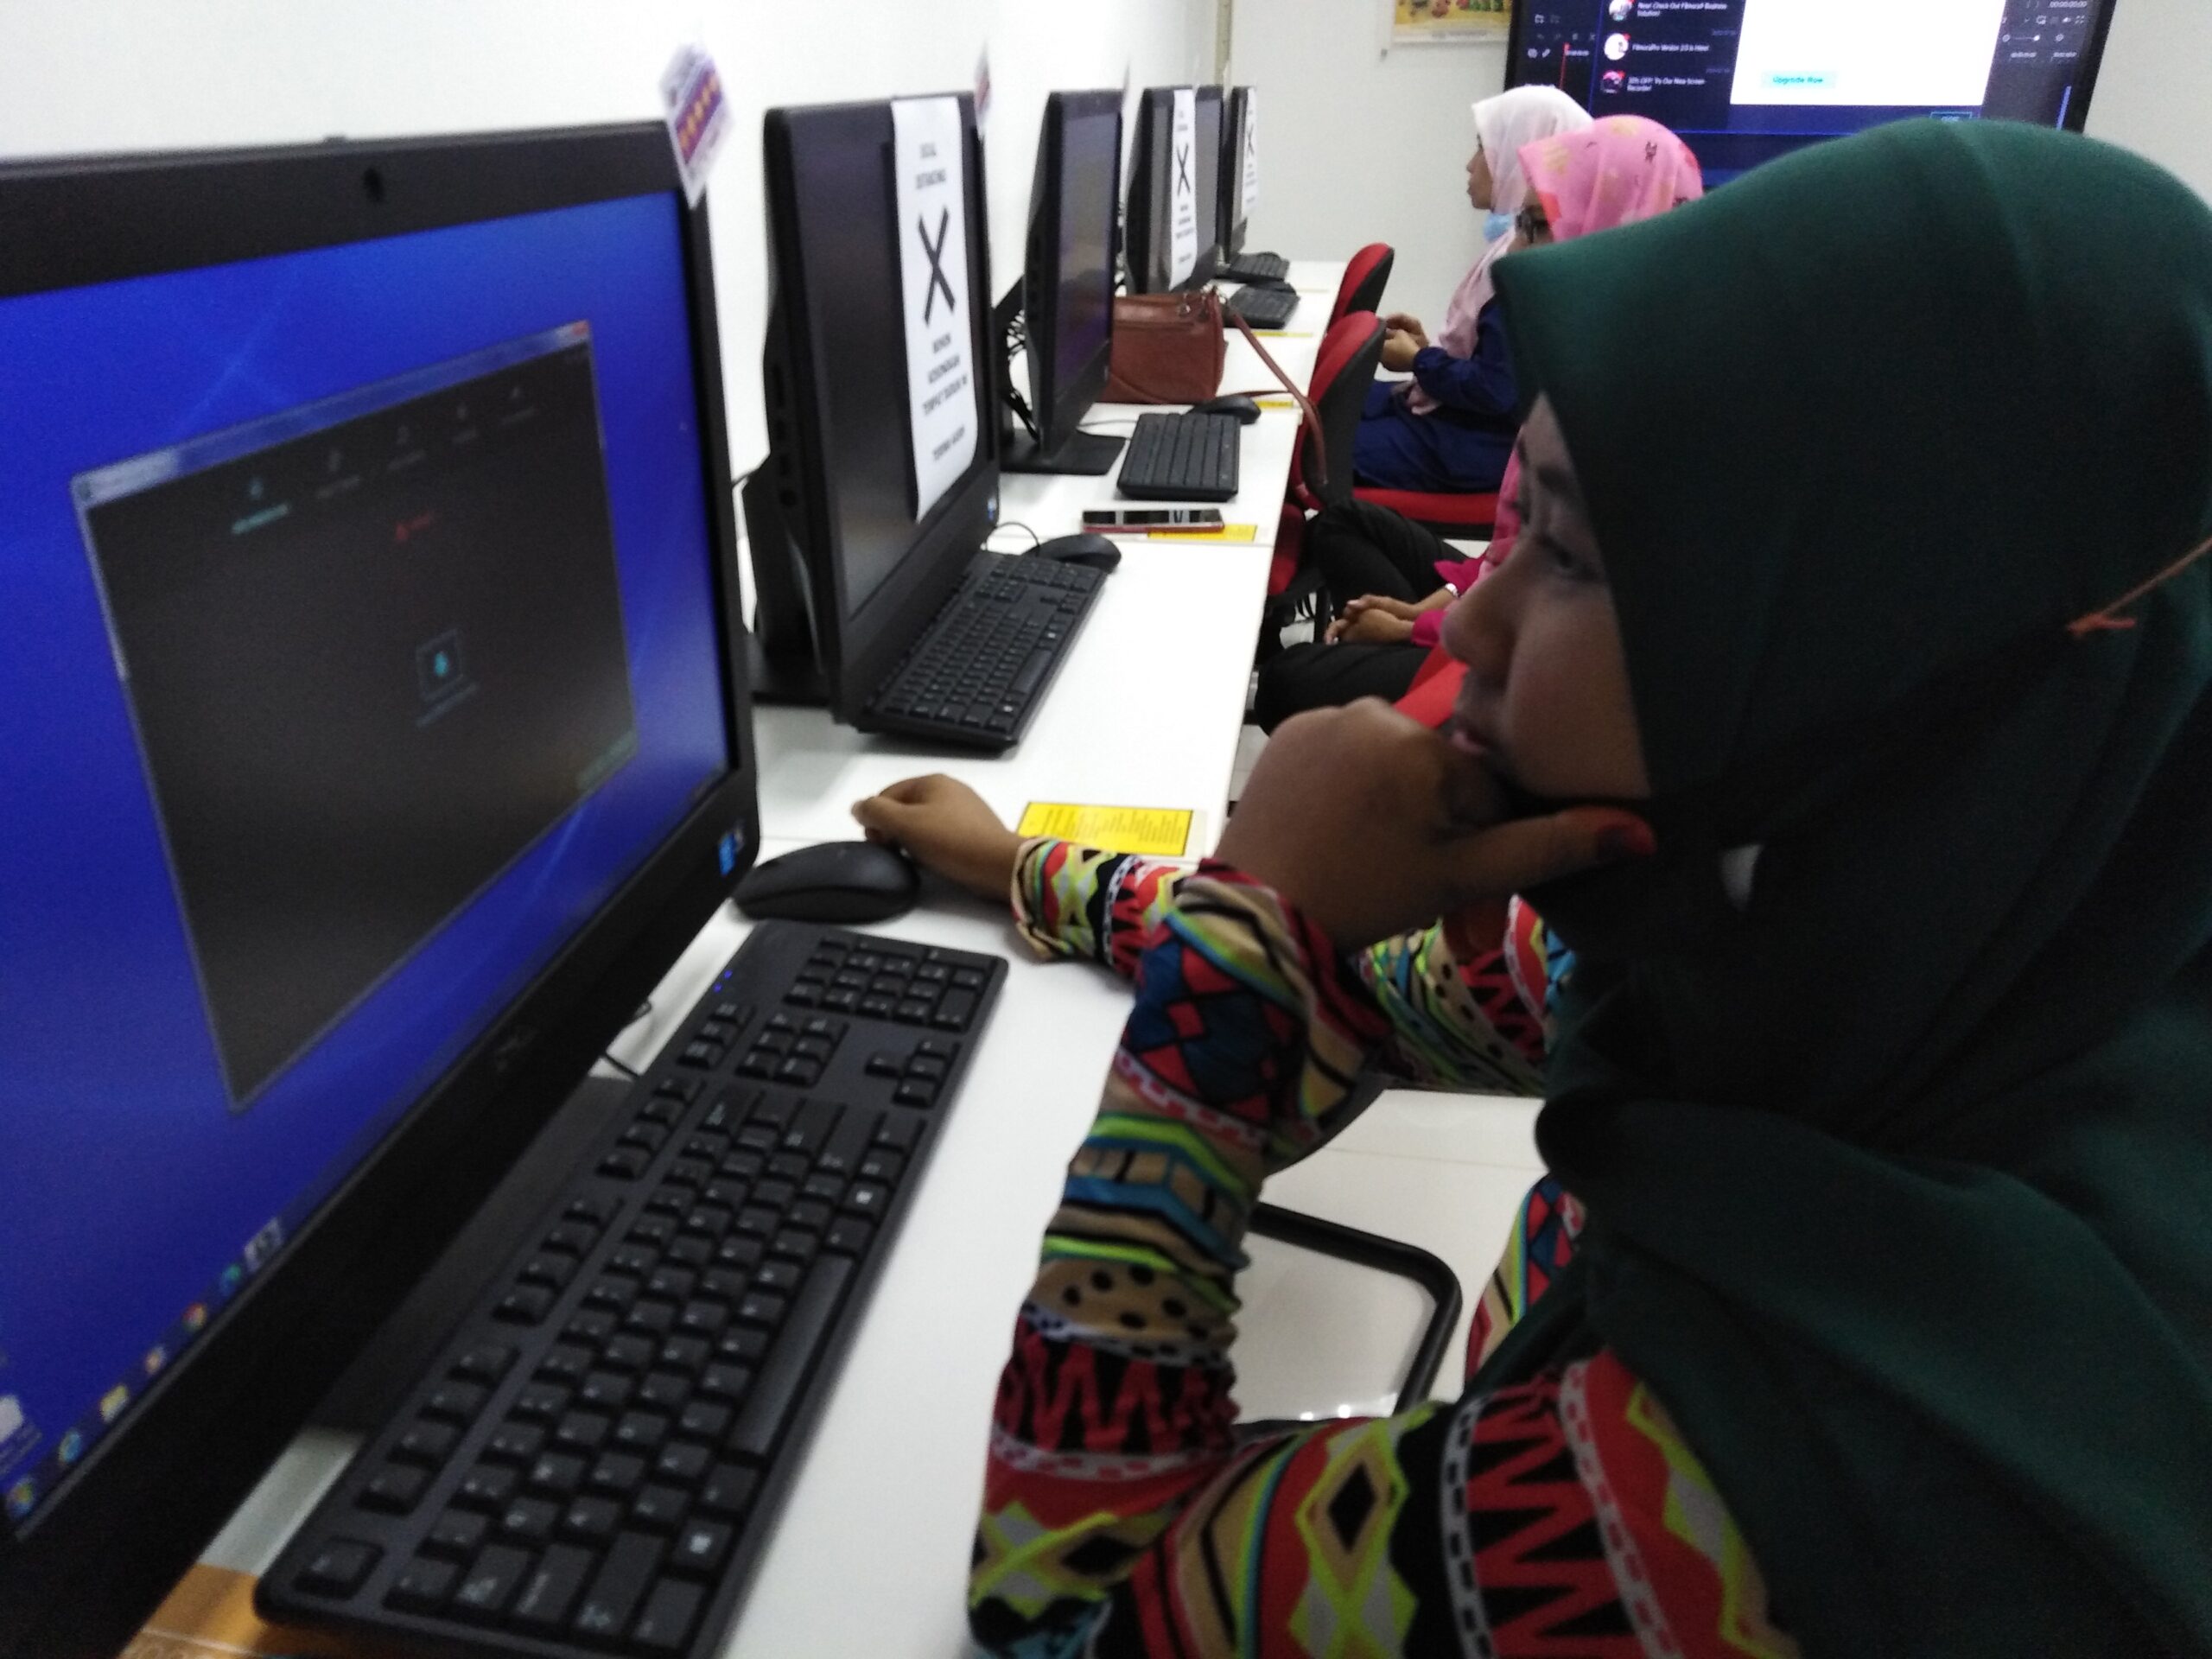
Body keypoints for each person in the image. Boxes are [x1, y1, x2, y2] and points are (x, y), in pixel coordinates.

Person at [871, 119, 2212, 1656]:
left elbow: (1068, 1597)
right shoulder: (1893, 931)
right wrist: (1030, 869)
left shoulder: (1764, 1494)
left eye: (1568, 554)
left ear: (1856, 661)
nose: (1467, 627)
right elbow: (1413, 985)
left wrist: (1240, 956)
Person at [1259, 116, 1704, 730]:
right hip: (1497, 594)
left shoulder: (1624, 414)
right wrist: (1425, 609)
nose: (1515, 250)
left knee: (1287, 681)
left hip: (1528, 667)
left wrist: (1417, 628)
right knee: (1342, 520)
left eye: (1536, 225)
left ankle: (1386, 676)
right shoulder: (1597, 359)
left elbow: (1543, 615)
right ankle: (1374, 658)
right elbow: (1514, 556)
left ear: (1611, 233)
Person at [1351, 85, 1588, 494]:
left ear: (1521, 153)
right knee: (1322, 412)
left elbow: (1496, 390)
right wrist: (1430, 354)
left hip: (1477, 444)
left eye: (1484, 148)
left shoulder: (1530, 262)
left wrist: (1421, 360)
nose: (1470, 164)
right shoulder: (1521, 244)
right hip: (1468, 425)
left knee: (1313, 447)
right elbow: (1497, 364)